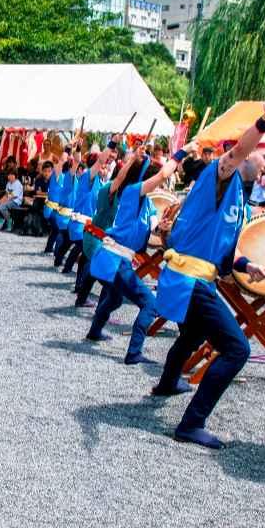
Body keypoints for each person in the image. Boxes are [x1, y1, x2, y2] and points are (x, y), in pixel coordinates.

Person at [151, 96, 265, 450]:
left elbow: (224, 245)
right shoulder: (219, 177)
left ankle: (166, 383)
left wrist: (244, 264)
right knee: (236, 350)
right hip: (190, 280)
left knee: (191, 335)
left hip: (191, 278)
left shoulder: (239, 198)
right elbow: (239, 149)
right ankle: (191, 423)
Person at [85, 144, 187, 364]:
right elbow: (161, 174)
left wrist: (162, 227)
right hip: (114, 258)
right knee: (150, 304)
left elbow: (148, 235)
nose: (159, 184)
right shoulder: (132, 193)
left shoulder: (147, 205)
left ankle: (94, 331)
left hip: (118, 259)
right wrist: (182, 152)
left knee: (114, 299)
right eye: (153, 180)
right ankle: (133, 353)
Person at [75, 146, 131, 307]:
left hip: (98, 235)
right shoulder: (109, 187)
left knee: (92, 269)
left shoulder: (110, 186)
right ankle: (102, 309)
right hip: (95, 236)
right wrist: (132, 161)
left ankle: (81, 298)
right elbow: (119, 178)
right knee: (108, 275)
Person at [43, 152, 70, 253]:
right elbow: (62, 159)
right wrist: (68, 149)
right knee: (59, 230)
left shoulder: (66, 178)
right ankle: (57, 252)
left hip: (56, 210)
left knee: (55, 230)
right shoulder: (57, 175)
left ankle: (49, 248)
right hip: (51, 210)